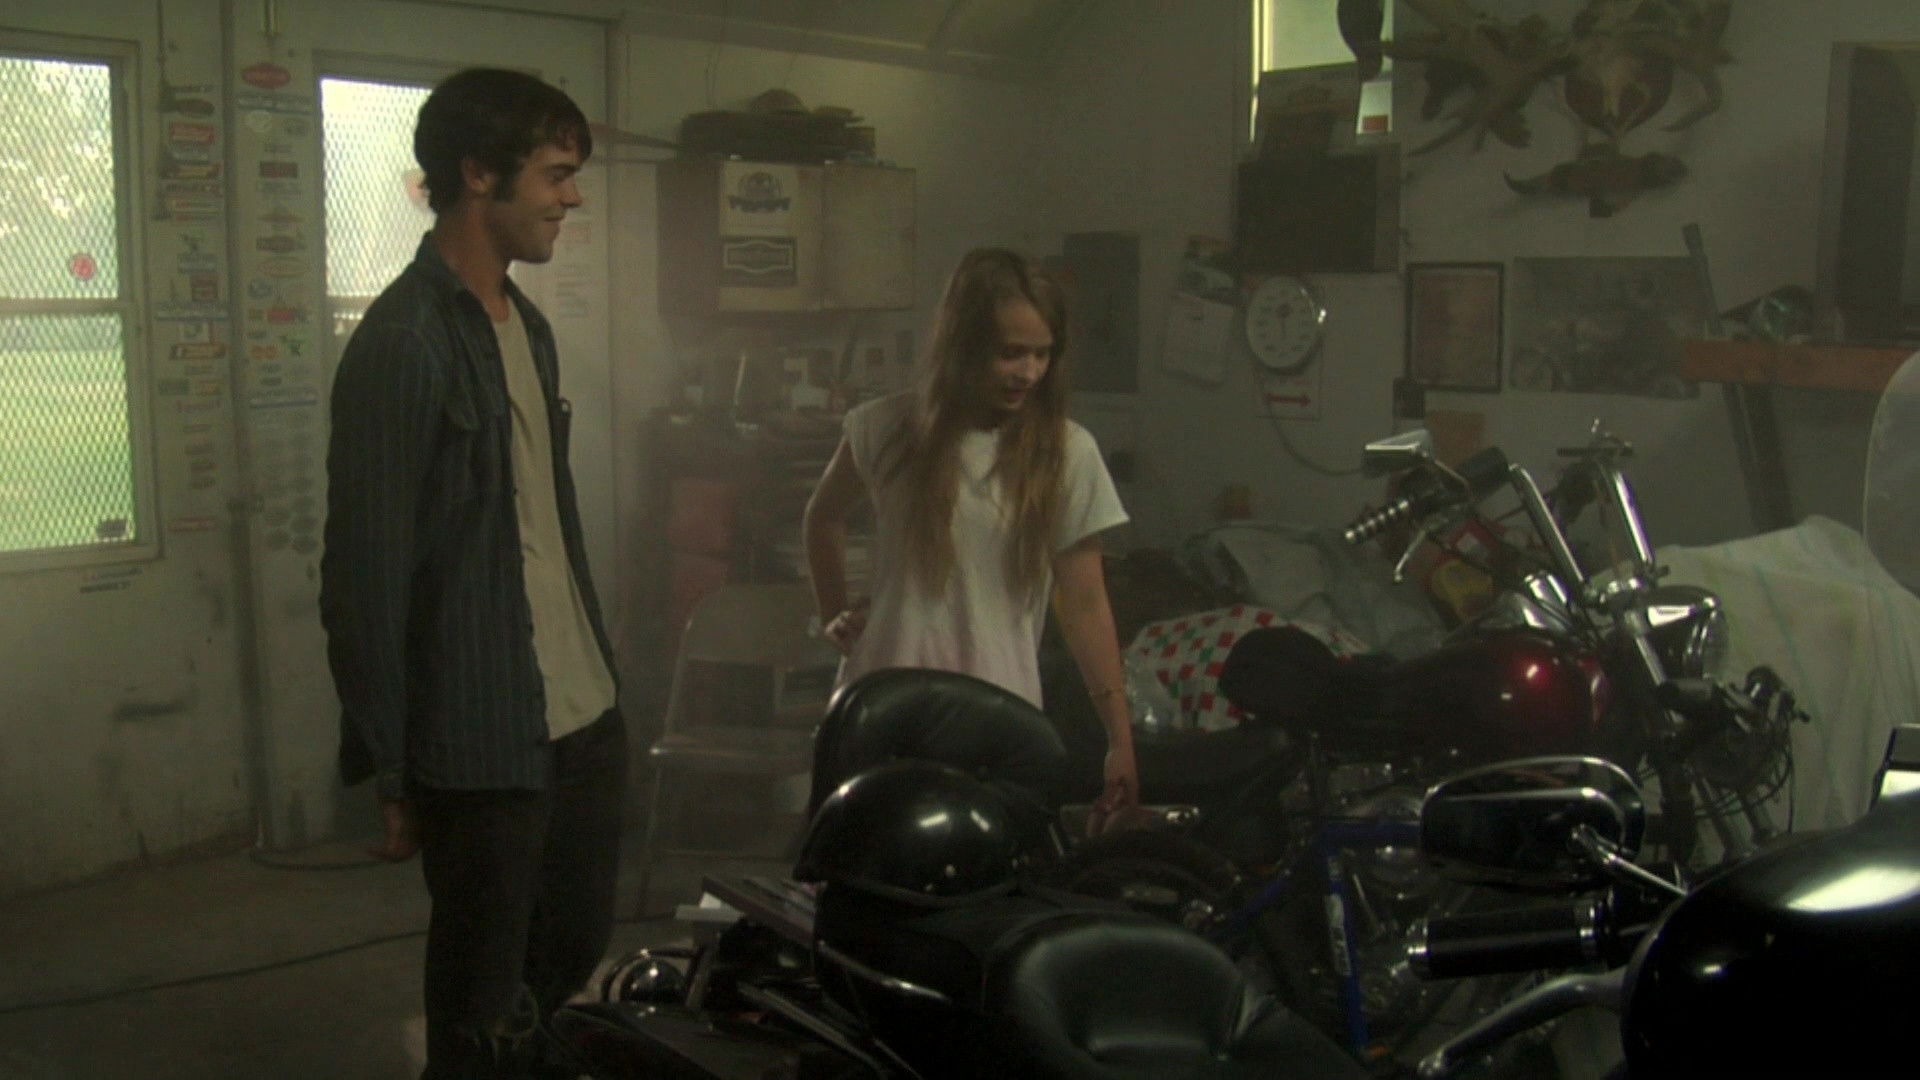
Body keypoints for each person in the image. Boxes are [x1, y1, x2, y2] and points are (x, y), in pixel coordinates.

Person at [319, 68, 623, 1080]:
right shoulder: (403, 344)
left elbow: (544, 527)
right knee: (480, 1000)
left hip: (584, 712)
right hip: (482, 736)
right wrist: (391, 765)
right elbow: (363, 580)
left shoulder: (526, 327)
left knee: (568, 952)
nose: (571, 198)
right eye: (555, 174)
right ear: (479, 174)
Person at [802, 248, 1140, 832]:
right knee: (861, 872)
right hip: (882, 710)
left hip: (996, 723)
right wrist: (834, 612)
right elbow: (822, 518)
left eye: (1042, 354)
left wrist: (1120, 740)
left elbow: (1086, 603)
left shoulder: (1068, 453)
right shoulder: (886, 428)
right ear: (963, 344)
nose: (1028, 372)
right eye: (1010, 353)